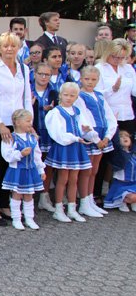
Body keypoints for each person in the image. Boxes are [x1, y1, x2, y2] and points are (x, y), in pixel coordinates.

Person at [0, 32, 33, 226]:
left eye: (13, 45)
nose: (9, 49)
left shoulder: (24, 69)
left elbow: (26, 98)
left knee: (11, 166)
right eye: (5, 46)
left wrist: (28, 123)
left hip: (18, 124)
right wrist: (0, 124)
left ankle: (5, 205)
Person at [44, 82, 96, 223]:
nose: (68, 98)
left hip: (76, 148)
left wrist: (87, 131)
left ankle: (72, 209)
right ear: (60, 95)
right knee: (63, 179)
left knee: (74, 178)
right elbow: (57, 133)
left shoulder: (77, 111)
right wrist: (75, 138)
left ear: (76, 97)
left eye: (72, 95)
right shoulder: (55, 112)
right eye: (66, 95)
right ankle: (59, 209)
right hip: (64, 148)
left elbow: (83, 128)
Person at [75, 66, 115, 217]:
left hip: (102, 137)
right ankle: (84, 202)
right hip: (91, 136)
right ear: (81, 79)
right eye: (87, 79)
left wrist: (107, 137)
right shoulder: (79, 96)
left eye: (93, 79)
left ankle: (90, 199)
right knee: (86, 171)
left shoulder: (99, 95)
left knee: (94, 171)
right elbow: (83, 119)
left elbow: (109, 116)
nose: (90, 82)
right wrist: (95, 138)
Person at [1, 110, 46, 230]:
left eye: (30, 121)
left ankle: (29, 218)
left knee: (29, 194)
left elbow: (37, 156)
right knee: (17, 194)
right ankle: (16, 219)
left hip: (30, 170)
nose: (30, 123)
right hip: (18, 171)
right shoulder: (11, 138)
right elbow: (7, 155)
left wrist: (41, 170)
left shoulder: (32, 138)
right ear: (17, 122)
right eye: (27, 121)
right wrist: (20, 154)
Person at [31, 62, 58, 212]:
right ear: (35, 74)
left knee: (47, 166)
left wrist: (53, 110)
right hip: (32, 131)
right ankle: (24, 198)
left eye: (47, 74)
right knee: (29, 163)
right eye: (40, 74)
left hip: (48, 133)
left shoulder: (54, 92)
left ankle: (44, 196)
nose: (43, 77)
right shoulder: (28, 90)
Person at [96, 39, 136, 136]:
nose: (118, 60)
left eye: (122, 57)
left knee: (128, 142)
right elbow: (96, 94)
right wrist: (112, 89)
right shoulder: (99, 68)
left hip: (127, 115)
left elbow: (134, 91)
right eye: (115, 57)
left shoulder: (128, 68)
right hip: (109, 115)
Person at [103, 131, 136, 211]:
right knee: (128, 195)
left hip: (133, 183)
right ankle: (121, 201)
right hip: (121, 184)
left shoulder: (133, 154)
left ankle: (133, 202)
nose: (124, 138)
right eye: (121, 136)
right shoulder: (118, 155)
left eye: (127, 136)